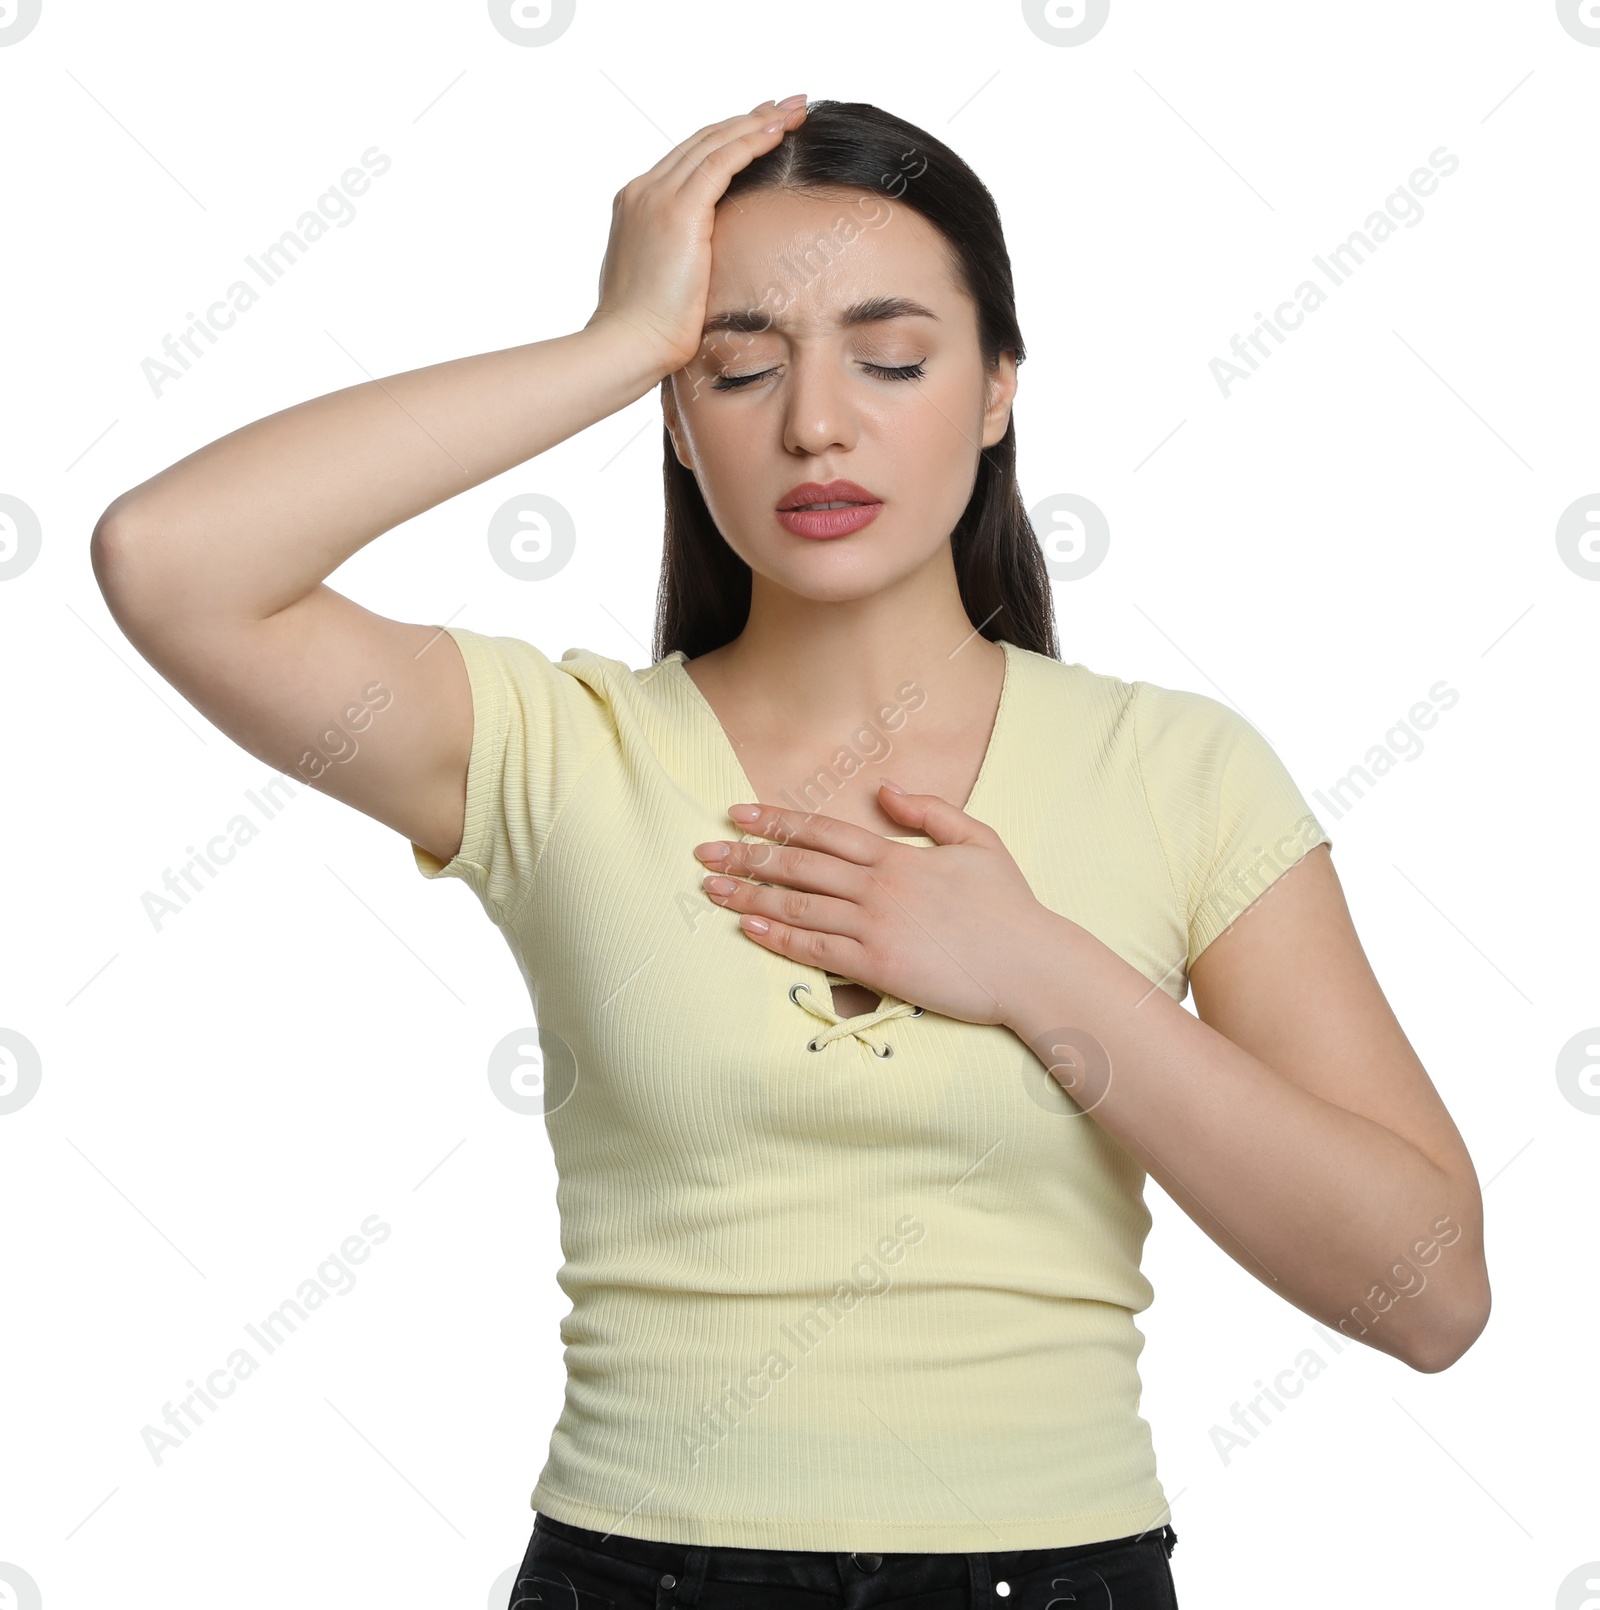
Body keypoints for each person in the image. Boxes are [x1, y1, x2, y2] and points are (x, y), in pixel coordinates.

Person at [91, 95, 1490, 1610]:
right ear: (681, 423)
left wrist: (1035, 966)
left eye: (890, 360)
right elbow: (170, 561)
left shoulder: (1180, 768)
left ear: (1000, 388)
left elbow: (1430, 1292)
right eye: (740, 366)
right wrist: (612, 344)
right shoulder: (556, 752)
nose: (816, 421)